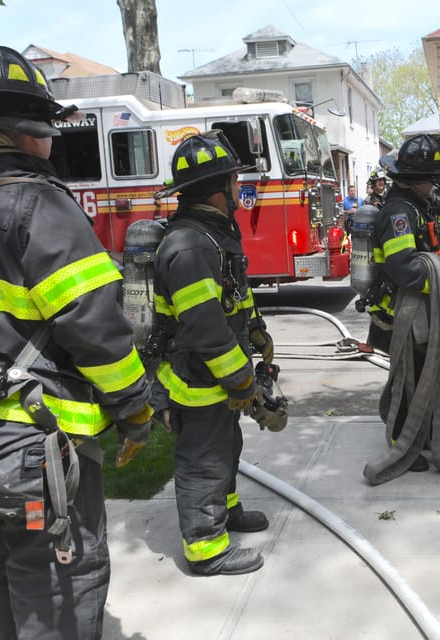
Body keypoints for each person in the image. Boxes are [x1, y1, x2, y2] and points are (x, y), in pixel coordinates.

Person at [0, 45, 152, 638]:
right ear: (32, 131)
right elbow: (93, 322)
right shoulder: (38, 203)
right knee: (60, 588)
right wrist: (134, 405)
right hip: (40, 447)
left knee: (0, 575)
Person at [152, 131, 272, 575]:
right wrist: (240, 378)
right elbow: (204, 326)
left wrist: (256, 330)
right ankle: (205, 547)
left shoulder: (213, 234)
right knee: (203, 460)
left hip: (215, 375)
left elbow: (232, 296)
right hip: (197, 378)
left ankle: (226, 513)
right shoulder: (190, 246)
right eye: (233, 179)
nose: (238, 187)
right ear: (219, 188)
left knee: (226, 447)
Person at [363, 134, 440, 472]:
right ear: (419, 180)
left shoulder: (414, 206)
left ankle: (418, 435)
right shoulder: (400, 212)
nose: (437, 183)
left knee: (419, 377)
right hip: (401, 315)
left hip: (414, 313)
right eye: (433, 177)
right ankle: (405, 444)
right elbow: (403, 267)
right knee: (407, 380)